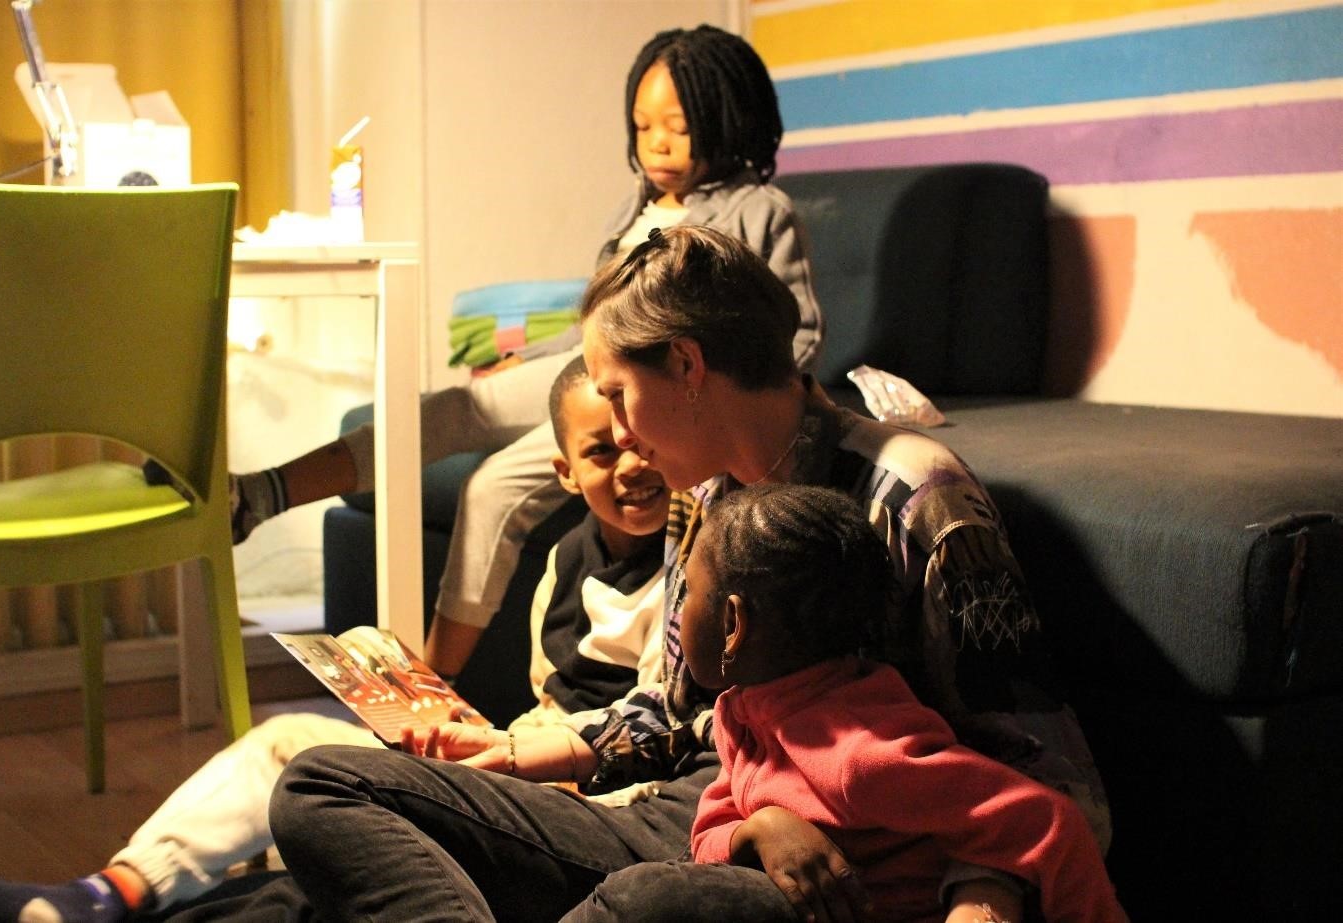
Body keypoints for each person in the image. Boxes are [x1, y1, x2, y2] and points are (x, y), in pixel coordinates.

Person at [264, 226, 1107, 923]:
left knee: (645, 903)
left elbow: (1047, 776)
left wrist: (977, 909)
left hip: (848, 869)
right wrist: (513, 754)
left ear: (689, 366)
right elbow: (674, 710)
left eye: (619, 395)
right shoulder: (702, 494)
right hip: (714, 815)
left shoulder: (916, 492)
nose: (620, 435)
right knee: (324, 785)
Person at [0, 355, 670, 923]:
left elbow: (649, 732)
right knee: (288, 740)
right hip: (528, 759)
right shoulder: (563, 562)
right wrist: (452, 724)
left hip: (595, 799)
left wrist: (515, 762)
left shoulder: (684, 568)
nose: (632, 467)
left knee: (319, 833)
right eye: (603, 452)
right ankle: (108, 892)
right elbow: (548, 696)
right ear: (565, 472)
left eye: (644, 446)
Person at [221, 24, 823, 684]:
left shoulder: (758, 211)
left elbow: (795, 332)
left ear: (728, 119)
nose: (657, 144)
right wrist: (531, 355)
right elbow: (596, 319)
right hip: (593, 373)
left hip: (663, 396)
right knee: (456, 407)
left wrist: (715, 399)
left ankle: (427, 684)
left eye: (677, 127)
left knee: (491, 488)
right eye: (643, 125)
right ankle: (261, 494)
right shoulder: (634, 210)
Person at [618, 482, 1127, 923]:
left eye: (688, 594)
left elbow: (1050, 822)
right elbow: (706, 836)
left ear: (733, 625)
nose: (680, 610)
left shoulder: (862, 760)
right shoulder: (745, 713)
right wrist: (758, 829)